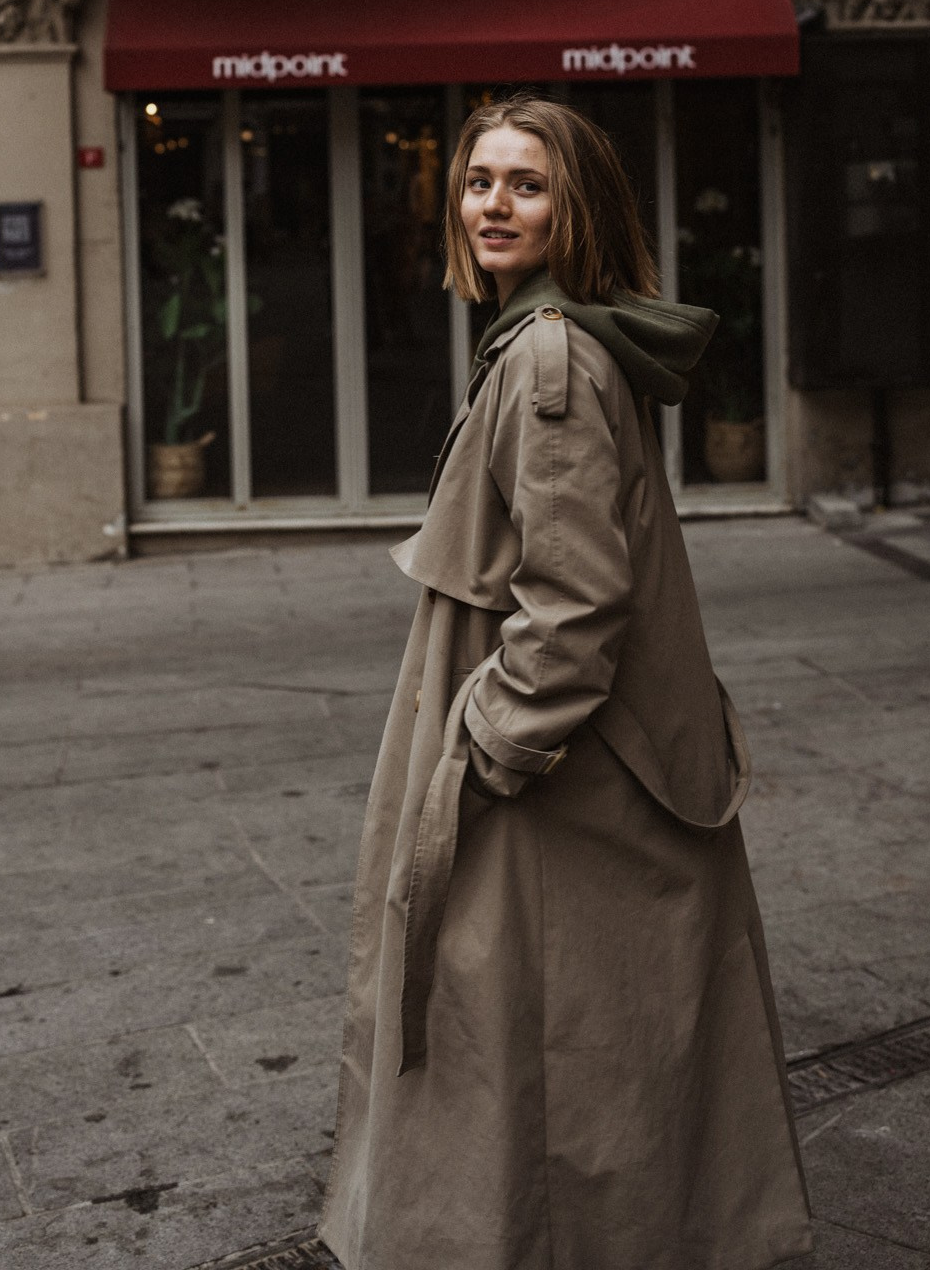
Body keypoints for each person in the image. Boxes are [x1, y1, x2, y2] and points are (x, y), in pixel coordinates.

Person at [319, 93, 812, 1270]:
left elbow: (577, 598)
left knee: (531, 1024)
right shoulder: (562, 337)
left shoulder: (548, 356)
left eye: (527, 184)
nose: (493, 203)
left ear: (574, 206)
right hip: (589, 759)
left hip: (564, 773)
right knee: (593, 1032)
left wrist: (489, 750)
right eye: (478, 180)